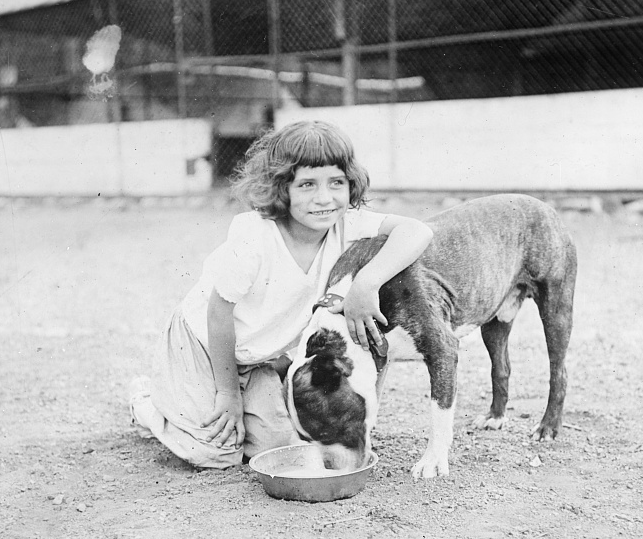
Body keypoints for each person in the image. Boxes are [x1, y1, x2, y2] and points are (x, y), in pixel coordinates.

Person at [128, 120, 434, 469]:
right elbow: (218, 313)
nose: (324, 198)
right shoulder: (255, 236)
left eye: (337, 182)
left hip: (257, 356)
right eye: (307, 185)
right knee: (215, 454)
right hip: (200, 344)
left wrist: (368, 284)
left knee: (277, 449)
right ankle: (147, 402)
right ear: (281, 188)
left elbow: (417, 230)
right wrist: (227, 394)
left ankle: (251, 386)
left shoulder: (348, 224)